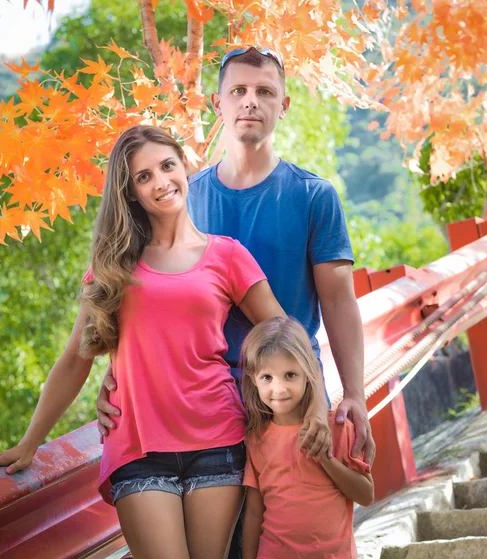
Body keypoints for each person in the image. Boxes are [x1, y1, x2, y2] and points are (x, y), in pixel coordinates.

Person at [0, 125, 331, 559]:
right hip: (137, 446)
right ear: (130, 193)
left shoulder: (227, 255)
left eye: (166, 166)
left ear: (184, 166)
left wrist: (319, 410)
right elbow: (76, 359)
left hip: (218, 437)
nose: (160, 181)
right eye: (143, 177)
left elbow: (287, 335)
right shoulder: (113, 267)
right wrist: (31, 442)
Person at [96, 47, 375, 465]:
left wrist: (354, 394)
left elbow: (338, 301)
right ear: (218, 103)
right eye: (239, 90)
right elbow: (152, 294)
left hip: (289, 398)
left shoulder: (314, 195)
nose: (250, 101)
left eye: (265, 91)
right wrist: (118, 373)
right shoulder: (183, 197)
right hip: (201, 401)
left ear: (283, 106)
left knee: (298, 524)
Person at [240, 317, 374, 559]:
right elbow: (254, 513)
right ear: (253, 379)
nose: (278, 389)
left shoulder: (337, 428)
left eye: (290, 375)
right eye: (267, 377)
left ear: (308, 374)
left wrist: (326, 459)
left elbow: (366, 495)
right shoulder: (256, 438)